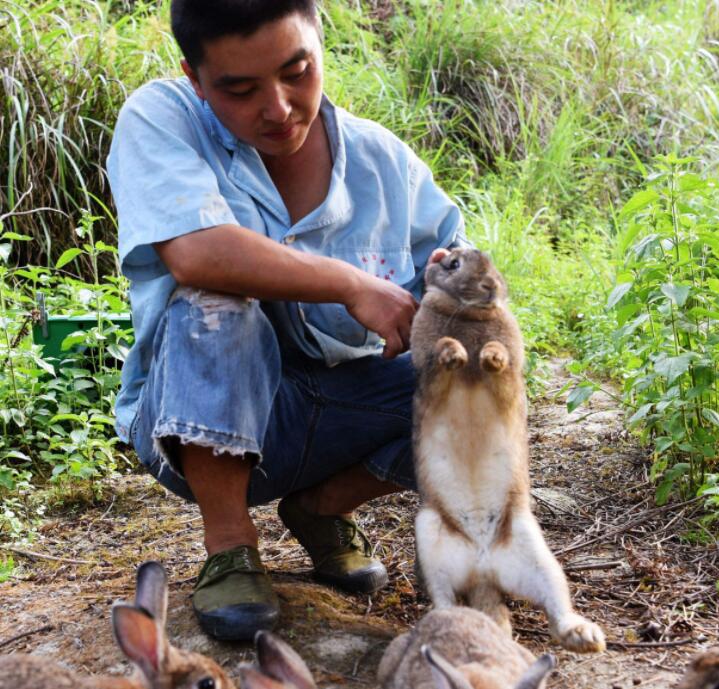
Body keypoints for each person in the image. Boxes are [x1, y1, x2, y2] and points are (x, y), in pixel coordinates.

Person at [106, 0, 466, 641]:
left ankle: (324, 506)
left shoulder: (387, 165)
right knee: (213, 300)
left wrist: (452, 311)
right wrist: (352, 283)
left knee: (468, 378)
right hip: (193, 426)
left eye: (297, 72)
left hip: (340, 417)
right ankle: (231, 547)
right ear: (195, 77)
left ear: (320, 44)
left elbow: (461, 295)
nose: (277, 108)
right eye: (240, 90)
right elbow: (196, 252)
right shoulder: (162, 118)